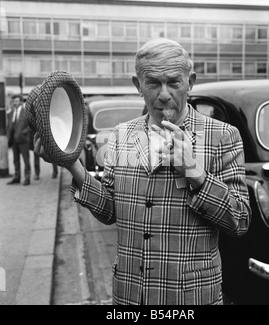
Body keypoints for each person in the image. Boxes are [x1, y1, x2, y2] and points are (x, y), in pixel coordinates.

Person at [34, 38, 251, 305]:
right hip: (129, 296)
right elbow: (110, 211)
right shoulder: (121, 135)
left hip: (190, 298)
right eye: (153, 82)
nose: (163, 94)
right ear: (138, 85)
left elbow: (240, 221)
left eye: (174, 82)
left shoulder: (222, 136)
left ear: (190, 82)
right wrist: (70, 163)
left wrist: (196, 173)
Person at [7, 94, 31, 186]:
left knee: (26, 160)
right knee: (15, 160)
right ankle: (17, 177)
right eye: (13, 101)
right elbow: (9, 126)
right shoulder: (10, 113)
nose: (15, 103)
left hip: (23, 140)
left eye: (17, 101)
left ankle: (27, 178)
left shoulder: (26, 112)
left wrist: (24, 132)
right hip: (14, 141)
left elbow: (31, 125)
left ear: (20, 102)